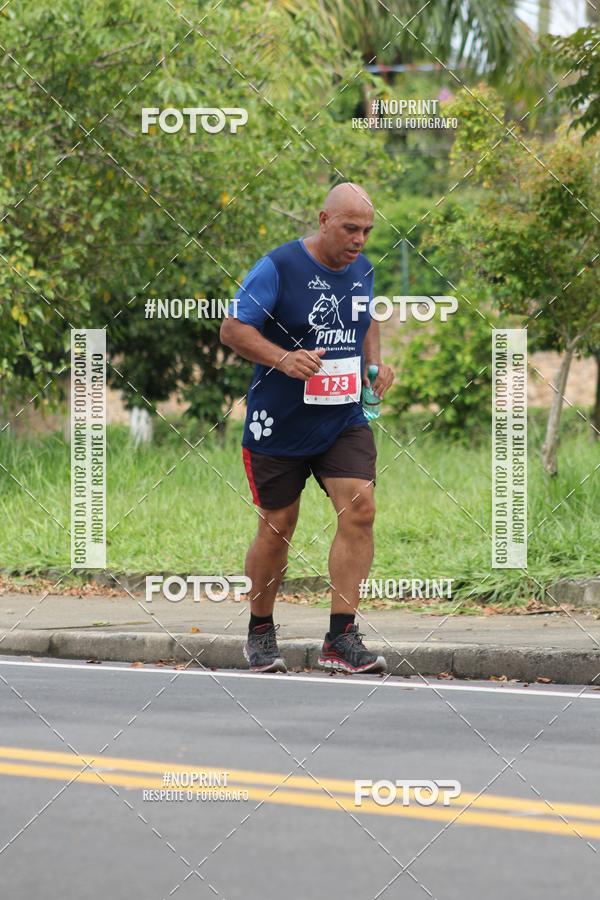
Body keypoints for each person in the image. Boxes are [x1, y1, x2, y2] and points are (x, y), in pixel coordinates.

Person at [220, 182, 394, 674]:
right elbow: (232, 328)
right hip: (280, 422)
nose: (359, 239)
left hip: (342, 417)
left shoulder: (363, 270)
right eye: (349, 228)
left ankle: (341, 638)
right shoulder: (279, 266)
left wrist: (375, 365)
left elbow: (367, 318)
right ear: (323, 220)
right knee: (278, 529)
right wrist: (283, 358)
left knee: (360, 510)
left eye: (366, 230)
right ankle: (259, 629)